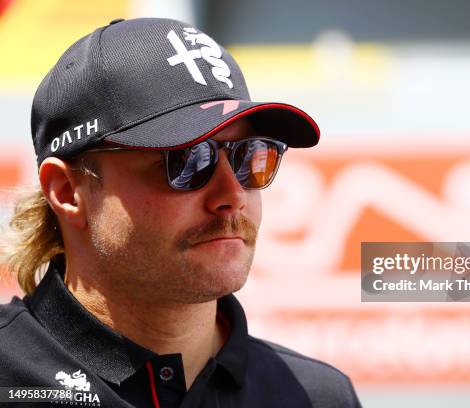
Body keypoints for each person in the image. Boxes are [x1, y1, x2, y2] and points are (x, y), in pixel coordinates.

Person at [0, 17, 361, 407]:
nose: (232, 194)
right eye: (187, 159)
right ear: (68, 191)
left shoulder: (315, 397)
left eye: (249, 157)